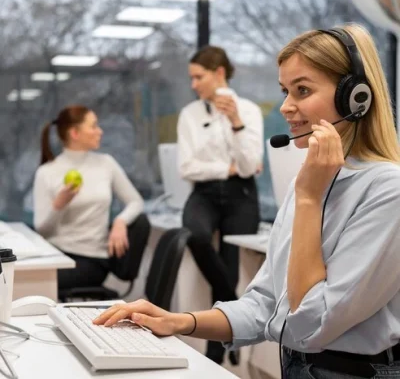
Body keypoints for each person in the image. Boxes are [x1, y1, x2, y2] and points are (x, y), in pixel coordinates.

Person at [94, 24, 400, 378]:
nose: (286, 107)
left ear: (355, 97)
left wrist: (308, 201)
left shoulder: (385, 190)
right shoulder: (312, 183)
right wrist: (178, 321)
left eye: (302, 90)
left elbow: (310, 326)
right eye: (285, 91)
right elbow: (263, 305)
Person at [177, 45, 264, 364]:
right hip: (204, 194)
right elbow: (186, 167)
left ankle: (216, 348)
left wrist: (236, 121)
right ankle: (232, 310)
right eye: (191, 78)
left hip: (241, 195)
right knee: (195, 235)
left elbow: (248, 165)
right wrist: (222, 168)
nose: (193, 84)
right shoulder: (190, 114)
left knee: (229, 262)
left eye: (198, 77)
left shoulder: (249, 110)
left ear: (219, 74)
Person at [34, 105, 149, 292]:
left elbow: (136, 202)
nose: (100, 131)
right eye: (94, 126)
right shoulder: (46, 172)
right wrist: (59, 205)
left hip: (92, 260)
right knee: (19, 278)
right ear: (75, 133)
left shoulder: (106, 164)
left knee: (33, 284)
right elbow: (43, 230)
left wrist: (120, 221)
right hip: (56, 255)